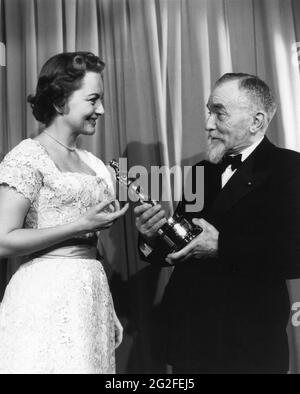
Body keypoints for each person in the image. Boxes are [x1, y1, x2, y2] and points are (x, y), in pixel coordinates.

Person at [134, 73, 300, 374]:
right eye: (209, 111)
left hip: (250, 345)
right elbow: (182, 246)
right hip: (191, 340)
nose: (208, 124)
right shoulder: (202, 171)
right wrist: (151, 237)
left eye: (219, 113)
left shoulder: (291, 169)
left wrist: (223, 246)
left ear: (256, 122)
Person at [0, 52, 129, 374]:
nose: (101, 110)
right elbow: (2, 241)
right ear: (59, 102)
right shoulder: (27, 157)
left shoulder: (96, 165)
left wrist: (106, 306)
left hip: (90, 296)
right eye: (93, 99)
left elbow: (91, 250)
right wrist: (80, 225)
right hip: (44, 296)